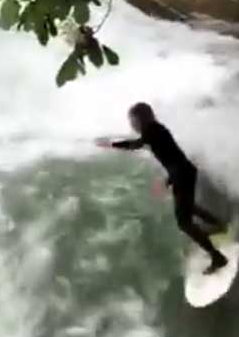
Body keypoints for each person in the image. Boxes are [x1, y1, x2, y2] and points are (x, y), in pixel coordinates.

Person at [97, 101, 228, 273]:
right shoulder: (155, 130)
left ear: (141, 119)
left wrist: (111, 144)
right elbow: (174, 158)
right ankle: (218, 225)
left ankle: (218, 258)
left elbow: (135, 145)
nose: (131, 124)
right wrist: (168, 181)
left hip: (182, 174)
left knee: (184, 223)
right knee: (188, 207)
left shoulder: (152, 130)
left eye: (132, 120)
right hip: (183, 172)